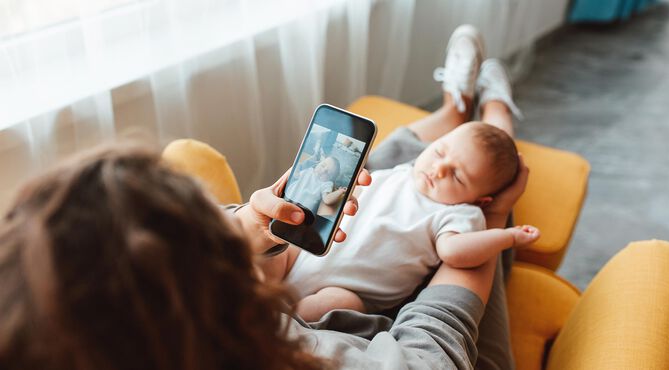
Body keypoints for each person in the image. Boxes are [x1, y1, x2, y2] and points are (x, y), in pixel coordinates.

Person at [0, 23, 524, 370]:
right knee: (453, 199)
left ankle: (454, 111)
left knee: (386, 178)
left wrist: (250, 224)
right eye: (210, 243)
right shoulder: (293, 349)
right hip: (415, 337)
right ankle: (495, 113)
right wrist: (489, 215)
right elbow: (437, 348)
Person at [285, 121, 540, 322]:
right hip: (309, 251)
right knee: (276, 251)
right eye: (439, 152)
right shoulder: (401, 172)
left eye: (458, 176)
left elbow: (454, 252)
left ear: (481, 201)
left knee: (332, 306)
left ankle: (279, 321)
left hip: (347, 290)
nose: (439, 169)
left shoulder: (459, 213)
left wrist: (509, 236)